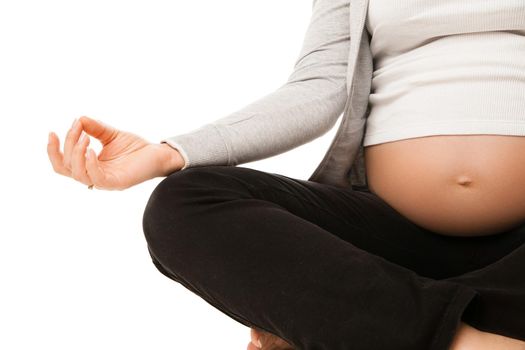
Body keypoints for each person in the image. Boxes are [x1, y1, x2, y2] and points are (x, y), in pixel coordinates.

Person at [47, 0, 525, 349]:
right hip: (391, 241)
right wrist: (170, 154)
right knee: (184, 203)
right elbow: (317, 88)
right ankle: (465, 340)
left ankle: (367, 324)